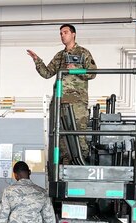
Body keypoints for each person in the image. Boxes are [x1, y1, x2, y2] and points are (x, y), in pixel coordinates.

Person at [27, 23, 97, 163]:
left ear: (73, 34)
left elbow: (93, 73)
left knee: (79, 135)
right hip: (60, 103)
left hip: (77, 102)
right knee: (61, 137)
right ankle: (64, 167)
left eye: (65, 32)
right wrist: (37, 60)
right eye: (60, 33)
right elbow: (47, 73)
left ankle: (82, 164)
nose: (62, 35)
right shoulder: (60, 56)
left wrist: (76, 69)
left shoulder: (83, 53)